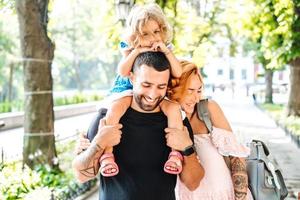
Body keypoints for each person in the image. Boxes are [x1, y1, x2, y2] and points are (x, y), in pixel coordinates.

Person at [72, 52, 204, 200]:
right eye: (146, 85)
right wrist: (98, 144)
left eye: (161, 86)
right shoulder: (106, 118)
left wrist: (186, 148)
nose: (153, 94)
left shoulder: (177, 122)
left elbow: (193, 183)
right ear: (132, 78)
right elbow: (81, 176)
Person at [102, 3, 184, 177]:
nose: (152, 38)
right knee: (115, 109)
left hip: (154, 90)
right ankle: (107, 155)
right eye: (145, 33)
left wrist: (166, 52)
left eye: (156, 31)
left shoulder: (165, 48)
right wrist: (137, 51)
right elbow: (123, 72)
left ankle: (175, 154)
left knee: (174, 109)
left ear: (162, 30)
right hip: (128, 90)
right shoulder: (130, 48)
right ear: (135, 35)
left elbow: (177, 72)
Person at [168, 61, 253, 200]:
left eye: (199, 90)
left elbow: (236, 157)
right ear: (174, 88)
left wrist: (241, 197)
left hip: (223, 195)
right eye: (190, 91)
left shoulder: (208, 109)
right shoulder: (163, 117)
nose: (196, 98)